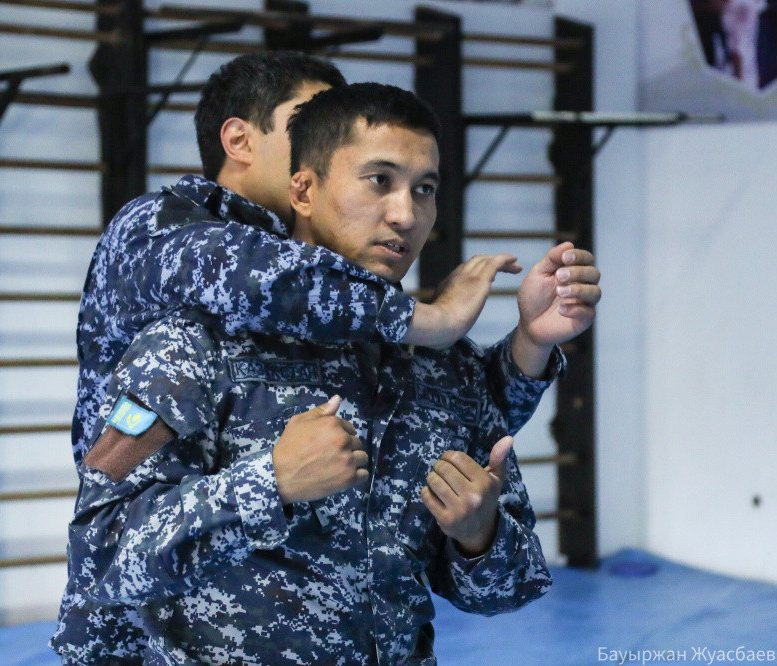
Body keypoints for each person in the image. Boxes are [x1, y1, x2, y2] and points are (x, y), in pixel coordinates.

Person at [60, 51, 602, 663]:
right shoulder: (195, 334)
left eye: (424, 189)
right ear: (304, 186)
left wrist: (478, 536)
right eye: (379, 180)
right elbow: (99, 553)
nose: (405, 214)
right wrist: (270, 483)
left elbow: (513, 585)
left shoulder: (436, 362)